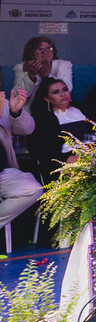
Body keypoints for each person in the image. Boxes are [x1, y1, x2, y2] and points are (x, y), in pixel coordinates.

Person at [28, 77, 96, 180]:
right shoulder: (41, 118)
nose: (63, 94)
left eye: (65, 90)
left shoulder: (87, 110)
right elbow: (38, 149)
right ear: (47, 98)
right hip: (63, 163)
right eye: (56, 92)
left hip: (94, 156)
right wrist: (66, 158)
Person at [0, 88, 42, 236]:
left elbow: (28, 129)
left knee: (32, 189)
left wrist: (16, 112)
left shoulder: (3, 104)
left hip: (3, 172)